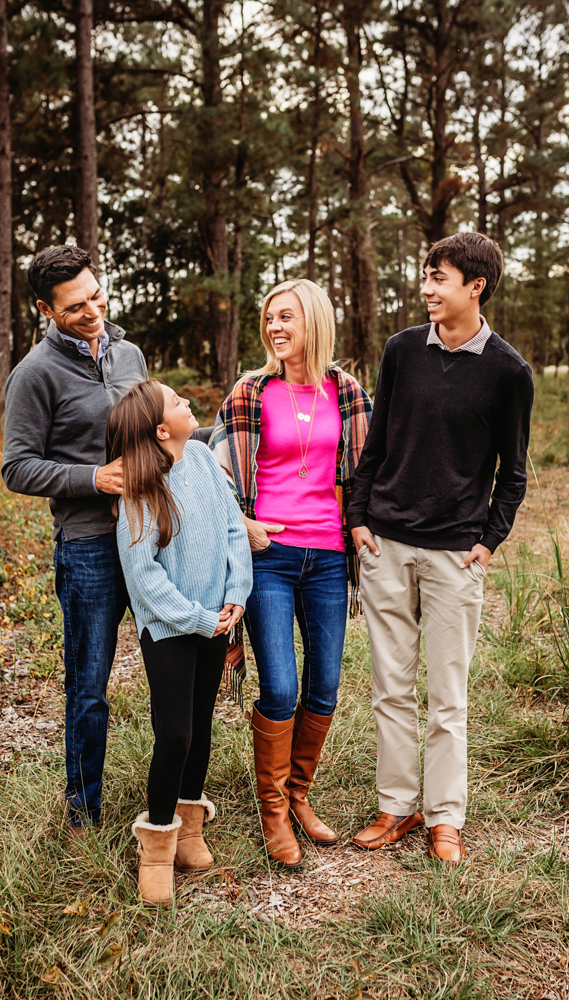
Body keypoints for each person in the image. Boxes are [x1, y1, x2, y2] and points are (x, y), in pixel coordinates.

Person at [347, 232, 534, 863]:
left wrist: (487, 542)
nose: (426, 288)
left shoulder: (509, 371)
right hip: (387, 544)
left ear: (475, 287)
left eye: (439, 277)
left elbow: (514, 471)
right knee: (390, 688)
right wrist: (359, 519)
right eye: (426, 276)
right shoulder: (402, 351)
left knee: (447, 696)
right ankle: (396, 807)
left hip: (456, 554)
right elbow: (375, 447)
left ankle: (445, 818)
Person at [210, 279, 372, 868]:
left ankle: (300, 794)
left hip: (329, 558)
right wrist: (244, 524)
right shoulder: (249, 392)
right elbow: (218, 474)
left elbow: (366, 474)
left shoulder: (348, 392)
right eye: (270, 318)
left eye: (287, 317)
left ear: (315, 322)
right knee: (280, 686)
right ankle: (272, 809)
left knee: (325, 684)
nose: (276, 328)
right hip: (268, 556)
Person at [1, 245, 148, 836]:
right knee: (89, 686)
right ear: (45, 309)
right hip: (87, 546)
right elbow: (17, 468)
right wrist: (93, 478)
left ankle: (172, 800)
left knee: (170, 667)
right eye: (75, 306)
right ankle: (83, 812)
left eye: (96, 296)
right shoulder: (34, 374)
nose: (93, 310)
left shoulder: (131, 353)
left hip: (149, 537)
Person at [107, 380, 252, 906]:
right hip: (171, 628)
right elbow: (143, 578)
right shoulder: (140, 492)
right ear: (161, 429)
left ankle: (192, 830)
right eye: (177, 402)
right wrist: (197, 617)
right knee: (174, 733)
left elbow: (235, 531)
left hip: (216, 619)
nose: (188, 402)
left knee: (201, 726)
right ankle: (157, 848)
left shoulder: (203, 461)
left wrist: (236, 595)